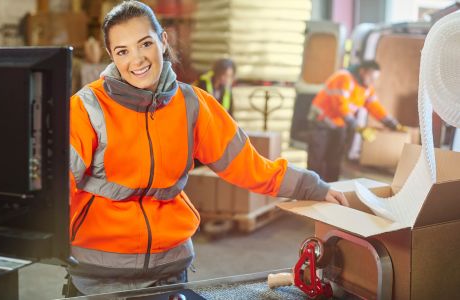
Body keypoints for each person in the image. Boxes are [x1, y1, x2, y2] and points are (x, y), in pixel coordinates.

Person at [67, 0, 347, 296]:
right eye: (123, 51)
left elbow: (248, 166)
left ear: (163, 41)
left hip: (170, 271)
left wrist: (310, 186)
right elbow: (57, 184)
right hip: (98, 277)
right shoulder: (88, 107)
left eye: (144, 44)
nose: (136, 60)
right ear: (111, 55)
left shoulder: (193, 105)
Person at [307, 60, 404, 182]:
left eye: (375, 79)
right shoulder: (343, 78)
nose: (372, 82)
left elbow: (375, 107)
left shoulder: (367, 88)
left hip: (339, 124)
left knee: (335, 161)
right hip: (321, 122)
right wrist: (358, 127)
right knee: (317, 160)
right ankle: (311, 191)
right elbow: (341, 107)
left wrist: (393, 124)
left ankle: (331, 190)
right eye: (371, 77)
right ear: (362, 72)